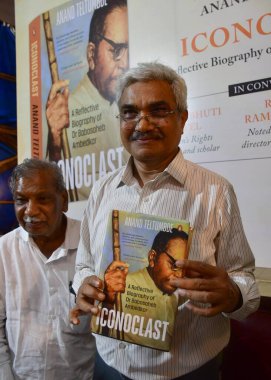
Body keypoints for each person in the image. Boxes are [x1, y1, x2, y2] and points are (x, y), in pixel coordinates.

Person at [70, 62, 260, 380]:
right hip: (110, 364)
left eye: (158, 110)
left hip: (188, 369)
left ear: (182, 118)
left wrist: (232, 293)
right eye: (130, 112)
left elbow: (244, 280)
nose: (143, 124)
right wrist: (85, 286)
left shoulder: (216, 192)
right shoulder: (103, 190)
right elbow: (83, 266)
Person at [0, 158, 96, 380]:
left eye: (42, 199)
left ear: (63, 201)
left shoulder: (91, 243)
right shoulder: (4, 251)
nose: (30, 211)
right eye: (21, 200)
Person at [46, 0, 129, 200]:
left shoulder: (129, 106)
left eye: (129, 50)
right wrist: (55, 145)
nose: (125, 63)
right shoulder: (64, 115)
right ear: (91, 55)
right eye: (116, 50)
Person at [95, 228, 189, 350]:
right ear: (152, 258)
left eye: (184, 268)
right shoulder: (118, 287)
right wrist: (108, 300)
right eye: (174, 265)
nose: (179, 275)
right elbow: (99, 330)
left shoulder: (182, 292)